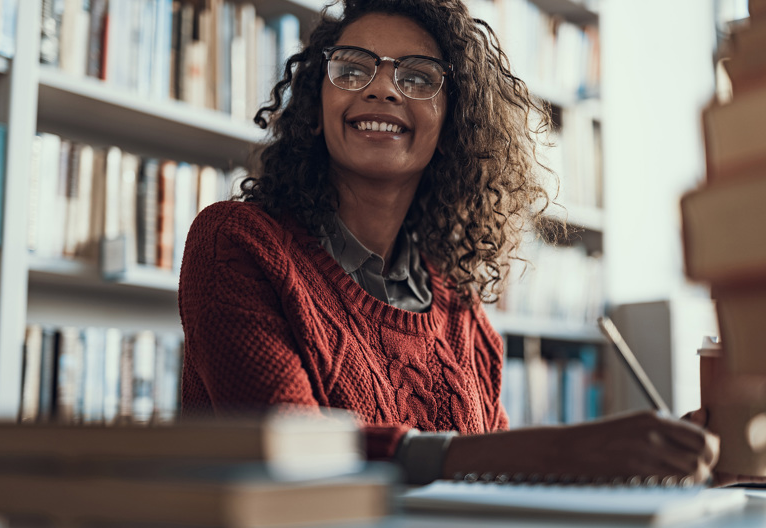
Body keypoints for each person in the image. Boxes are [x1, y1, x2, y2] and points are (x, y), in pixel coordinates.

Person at [179, 0, 721, 485]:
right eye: (352, 69)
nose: (382, 87)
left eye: (418, 77)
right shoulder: (235, 243)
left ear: (451, 124)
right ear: (314, 107)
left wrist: (648, 466)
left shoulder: (462, 312)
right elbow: (288, 454)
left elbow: (499, 484)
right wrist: (563, 447)